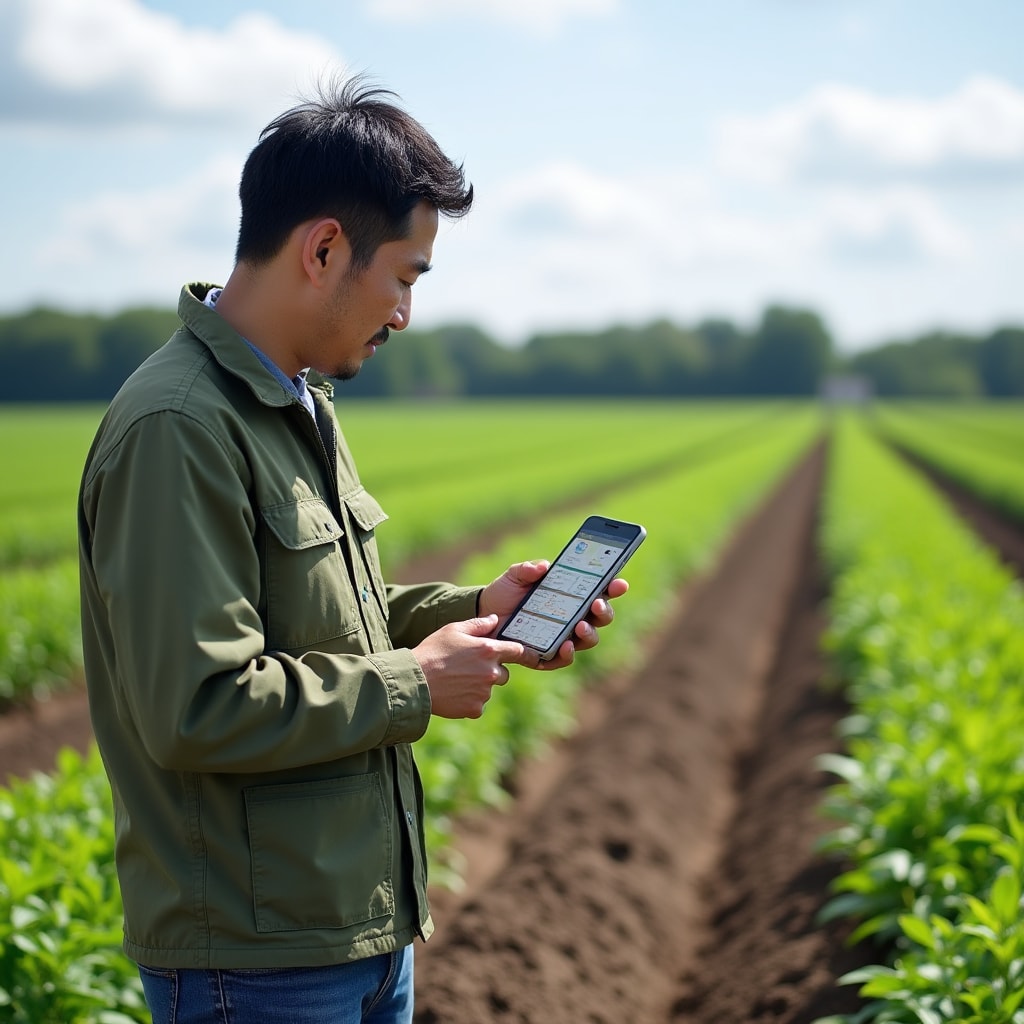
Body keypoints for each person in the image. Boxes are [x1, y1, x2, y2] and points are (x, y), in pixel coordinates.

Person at [77, 75, 628, 1024]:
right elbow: (198, 707)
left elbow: (332, 622)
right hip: (255, 966)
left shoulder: (296, 403)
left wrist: (476, 611)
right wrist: (417, 683)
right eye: (405, 277)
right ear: (326, 247)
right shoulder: (179, 427)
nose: (406, 314)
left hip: (355, 932)